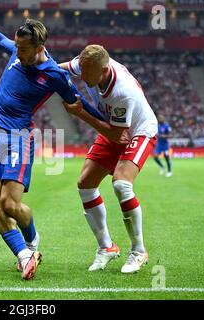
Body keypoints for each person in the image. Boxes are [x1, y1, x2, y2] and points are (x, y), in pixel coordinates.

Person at [0, 5, 102, 280]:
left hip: (19, 138)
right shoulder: (17, 50)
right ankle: (24, 253)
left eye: (22, 49)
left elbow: (79, 102)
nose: (16, 52)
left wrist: (107, 123)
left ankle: (32, 241)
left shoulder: (54, 74)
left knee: (9, 205)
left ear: (38, 46)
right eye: (16, 46)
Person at [59, 45, 158, 273]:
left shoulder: (122, 92)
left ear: (104, 71)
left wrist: (80, 112)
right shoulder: (88, 64)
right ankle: (107, 248)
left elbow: (117, 135)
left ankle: (138, 250)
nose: (81, 77)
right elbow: (60, 69)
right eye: (80, 70)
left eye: (87, 73)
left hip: (138, 131)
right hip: (113, 125)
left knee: (122, 184)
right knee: (85, 184)